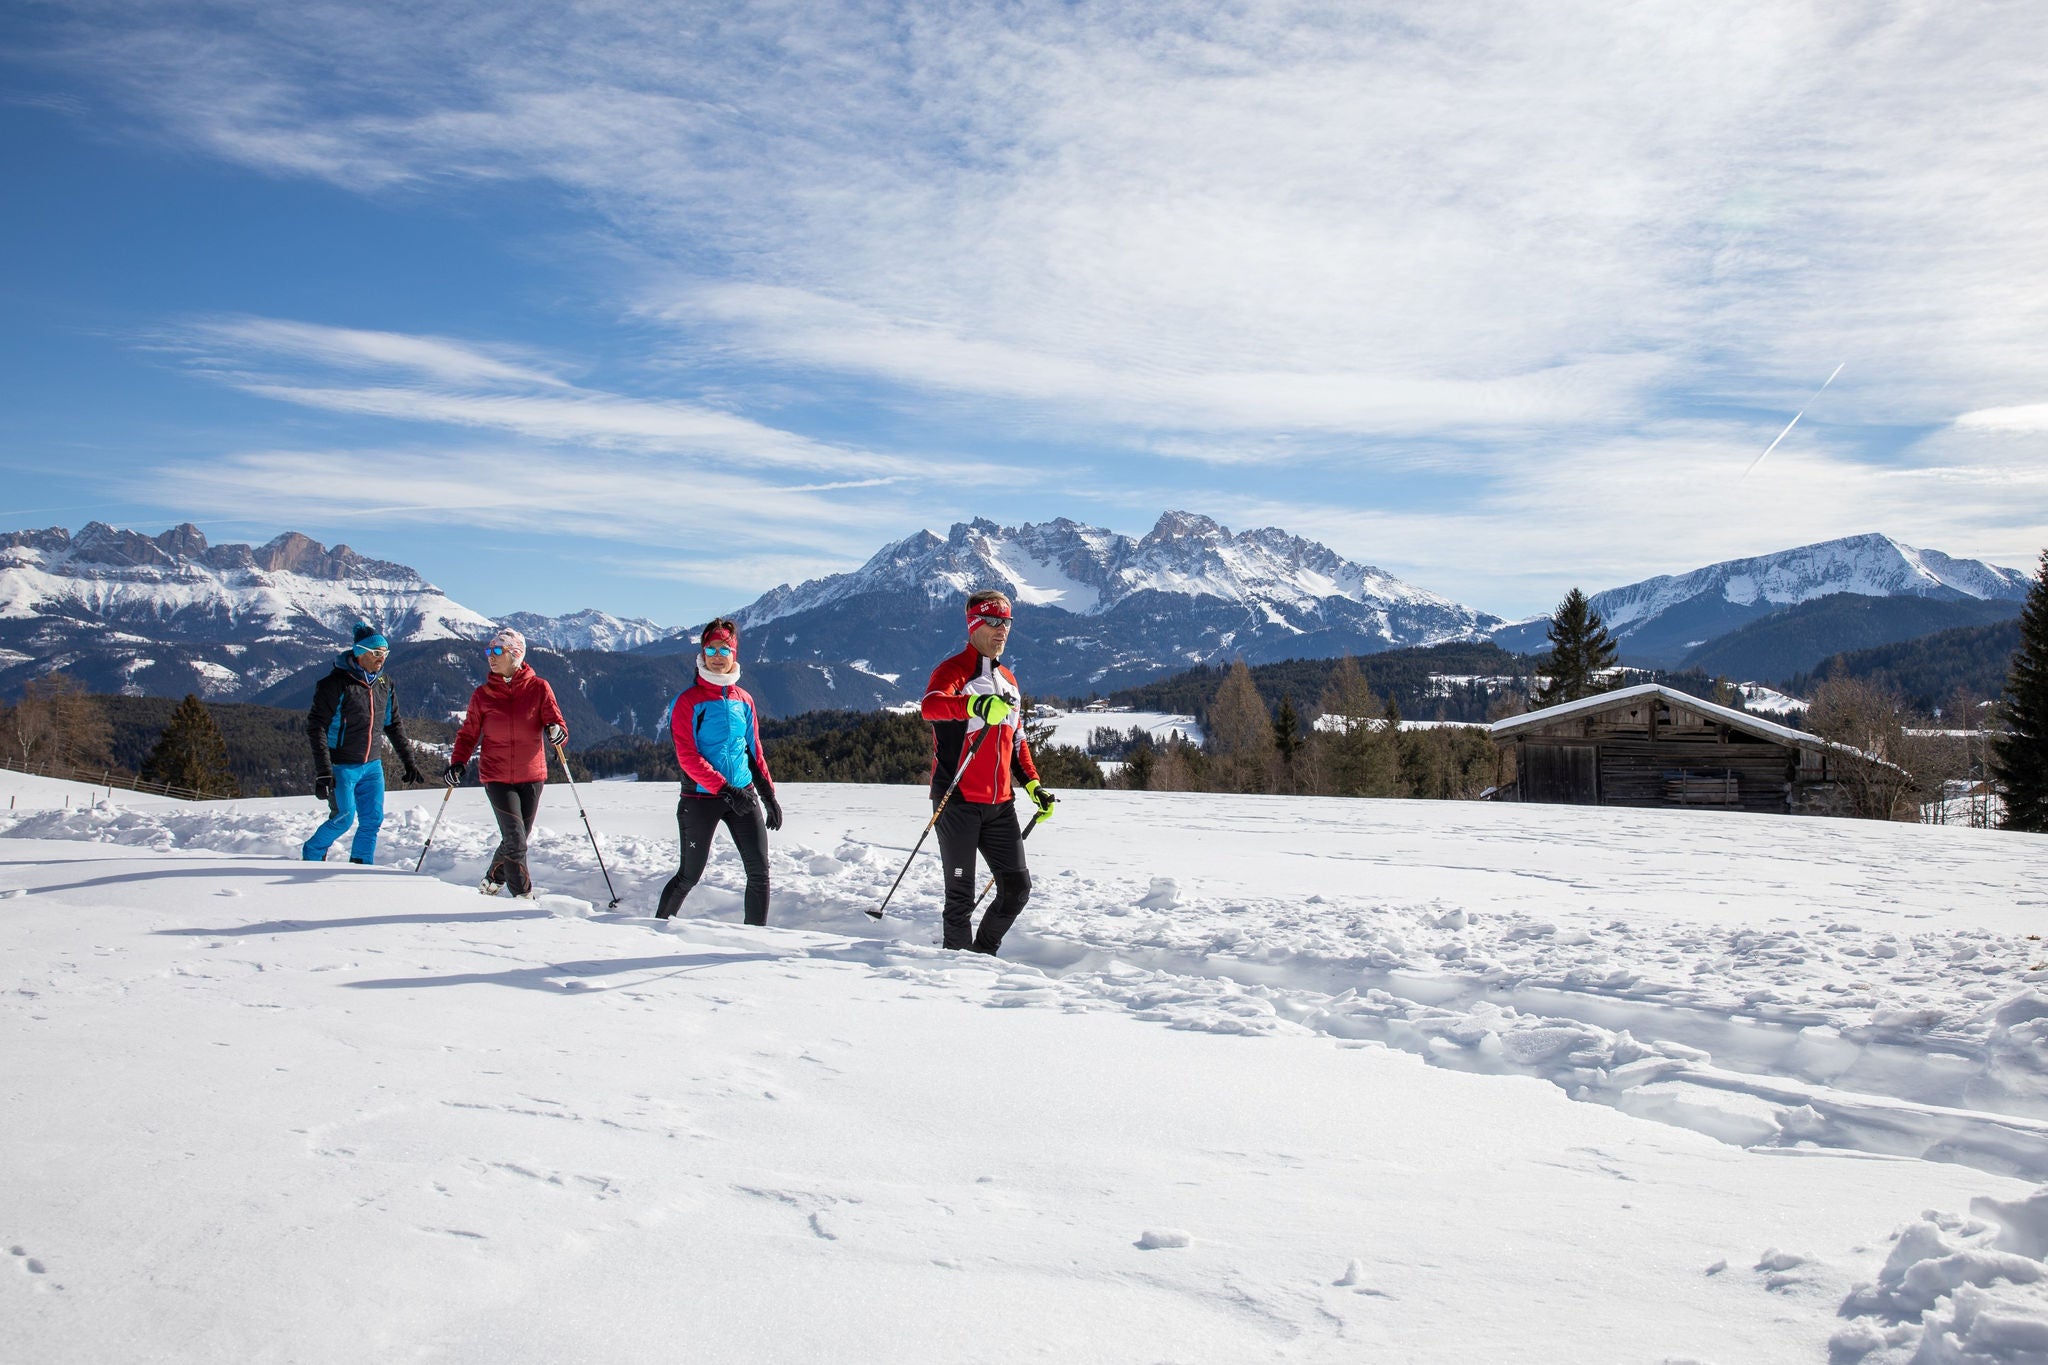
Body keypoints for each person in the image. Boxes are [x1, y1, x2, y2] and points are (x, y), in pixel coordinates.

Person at [920, 589, 1056, 954]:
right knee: (960, 899)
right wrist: (975, 705)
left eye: (1007, 622)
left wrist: (1034, 785)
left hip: (1000, 805)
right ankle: (955, 970)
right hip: (958, 800)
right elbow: (931, 706)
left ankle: (981, 955)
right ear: (974, 624)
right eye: (994, 621)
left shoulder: (1009, 679)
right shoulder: (953, 671)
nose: (1002, 630)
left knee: (1017, 890)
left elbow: (1017, 739)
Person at [655, 617, 783, 924]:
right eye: (710, 650)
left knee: (759, 873)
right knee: (689, 875)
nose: (717, 657)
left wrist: (768, 796)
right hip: (701, 799)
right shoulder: (688, 702)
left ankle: (754, 938)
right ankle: (656, 929)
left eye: (724, 650)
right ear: (702, 654)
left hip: (744, 795)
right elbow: (688, 757)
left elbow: (754, 752)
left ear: (733, 655)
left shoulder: (744, 700)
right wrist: (725, 790)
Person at [446, 627, 568, 898]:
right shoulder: (482, 695)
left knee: (518, 838)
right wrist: (457, 763)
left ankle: (493, 879)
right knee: (515, 839)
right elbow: (468, 734)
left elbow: (556, 723)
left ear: (515, 654)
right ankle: (523, 897)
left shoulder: (539, 688)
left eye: (497, 651)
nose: (490, 656)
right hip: (496, 776)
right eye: (488, 651)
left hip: (532, 775)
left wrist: (557, 731)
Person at [303, 621, 425, 864]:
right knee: (344, 818)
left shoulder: (384, 683)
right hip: (341, 766)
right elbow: (317, 728)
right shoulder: (334, 684)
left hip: (372, 766)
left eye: (385, 653)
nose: (382, 658)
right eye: (376, 652)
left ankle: (360, 865)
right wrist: (324, 772)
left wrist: (409, 761)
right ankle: (313, 853)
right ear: (360, 653)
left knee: (372, 820)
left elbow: (393, 724)